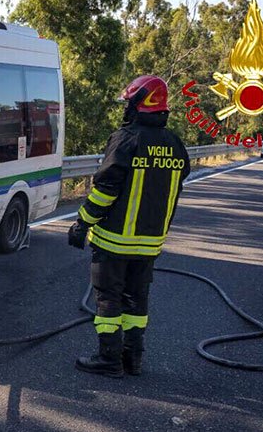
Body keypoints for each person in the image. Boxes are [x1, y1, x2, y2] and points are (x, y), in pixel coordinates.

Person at [67, 75, 190, 378]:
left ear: (138, 104)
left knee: (108, 298)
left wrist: (83, 222)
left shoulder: (126, 139)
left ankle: (108, 360)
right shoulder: (175, 144)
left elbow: (105, 189)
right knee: (137, 299)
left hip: (113, 241)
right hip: (150, 244)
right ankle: (132, 359)